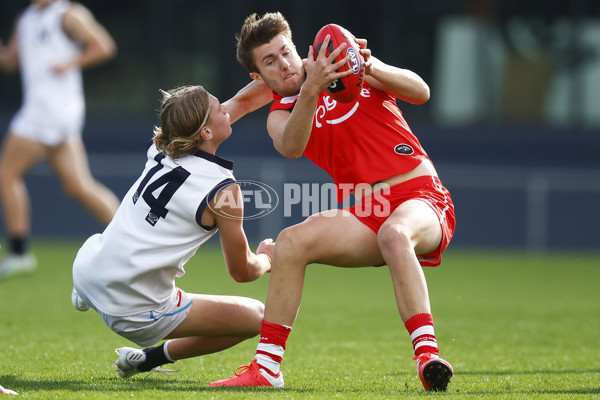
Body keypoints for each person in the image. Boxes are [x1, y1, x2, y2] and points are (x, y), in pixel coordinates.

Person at [208, 12, 456, 391]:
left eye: (285, 51)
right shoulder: (280, 112)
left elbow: (420, 91)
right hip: (367, 211)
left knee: (395, 234)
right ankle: (266, 368)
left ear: (298, 48)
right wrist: (309, 90)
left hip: (420, 194)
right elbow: (291, 145)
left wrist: (371, 65)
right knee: (290, 242)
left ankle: (427, 356)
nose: (284, 64)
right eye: (269, 61)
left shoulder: (347, 64)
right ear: (259, 77)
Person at [72, 82, 275, 378]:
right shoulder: (223, 190)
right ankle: (148, 358)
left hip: (85, 269)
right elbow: (241, 271)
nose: (226, 109)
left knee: (109, 254)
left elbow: (241, 103)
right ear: (205, 132)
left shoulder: (161, 147)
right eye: (219, 108)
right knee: (259, 317)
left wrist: (285, 76)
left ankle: (89, 293)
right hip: (134, 310)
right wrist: (268, 259)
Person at [0, 0, 120, 279]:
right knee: (78, 186)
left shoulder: (68, 14)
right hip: (47, 111)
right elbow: (9, 61)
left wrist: (69, 63)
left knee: (6, 173)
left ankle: (19, 253)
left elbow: (103, 46)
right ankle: (131, 240)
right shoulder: (26, 18)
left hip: (49, 110)